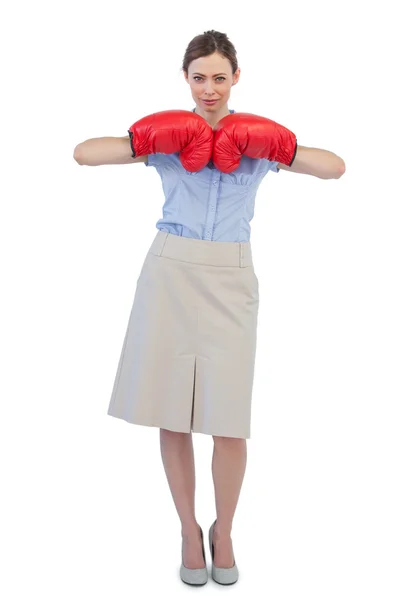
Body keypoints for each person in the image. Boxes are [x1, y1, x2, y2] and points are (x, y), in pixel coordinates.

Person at [73, 30, 345, 587]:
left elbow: (335, 167)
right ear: (187, 80)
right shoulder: (172, 135)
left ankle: (225, 530)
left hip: (231, 275)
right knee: (172, 415)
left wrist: (282, 145)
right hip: (170, 272)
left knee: (227, 421)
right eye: (199, 77)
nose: (210, 88)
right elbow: (84, 153)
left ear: (236, 78)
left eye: (220, 77)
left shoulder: (257, 139)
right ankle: (187, 531)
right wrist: (146, 136)